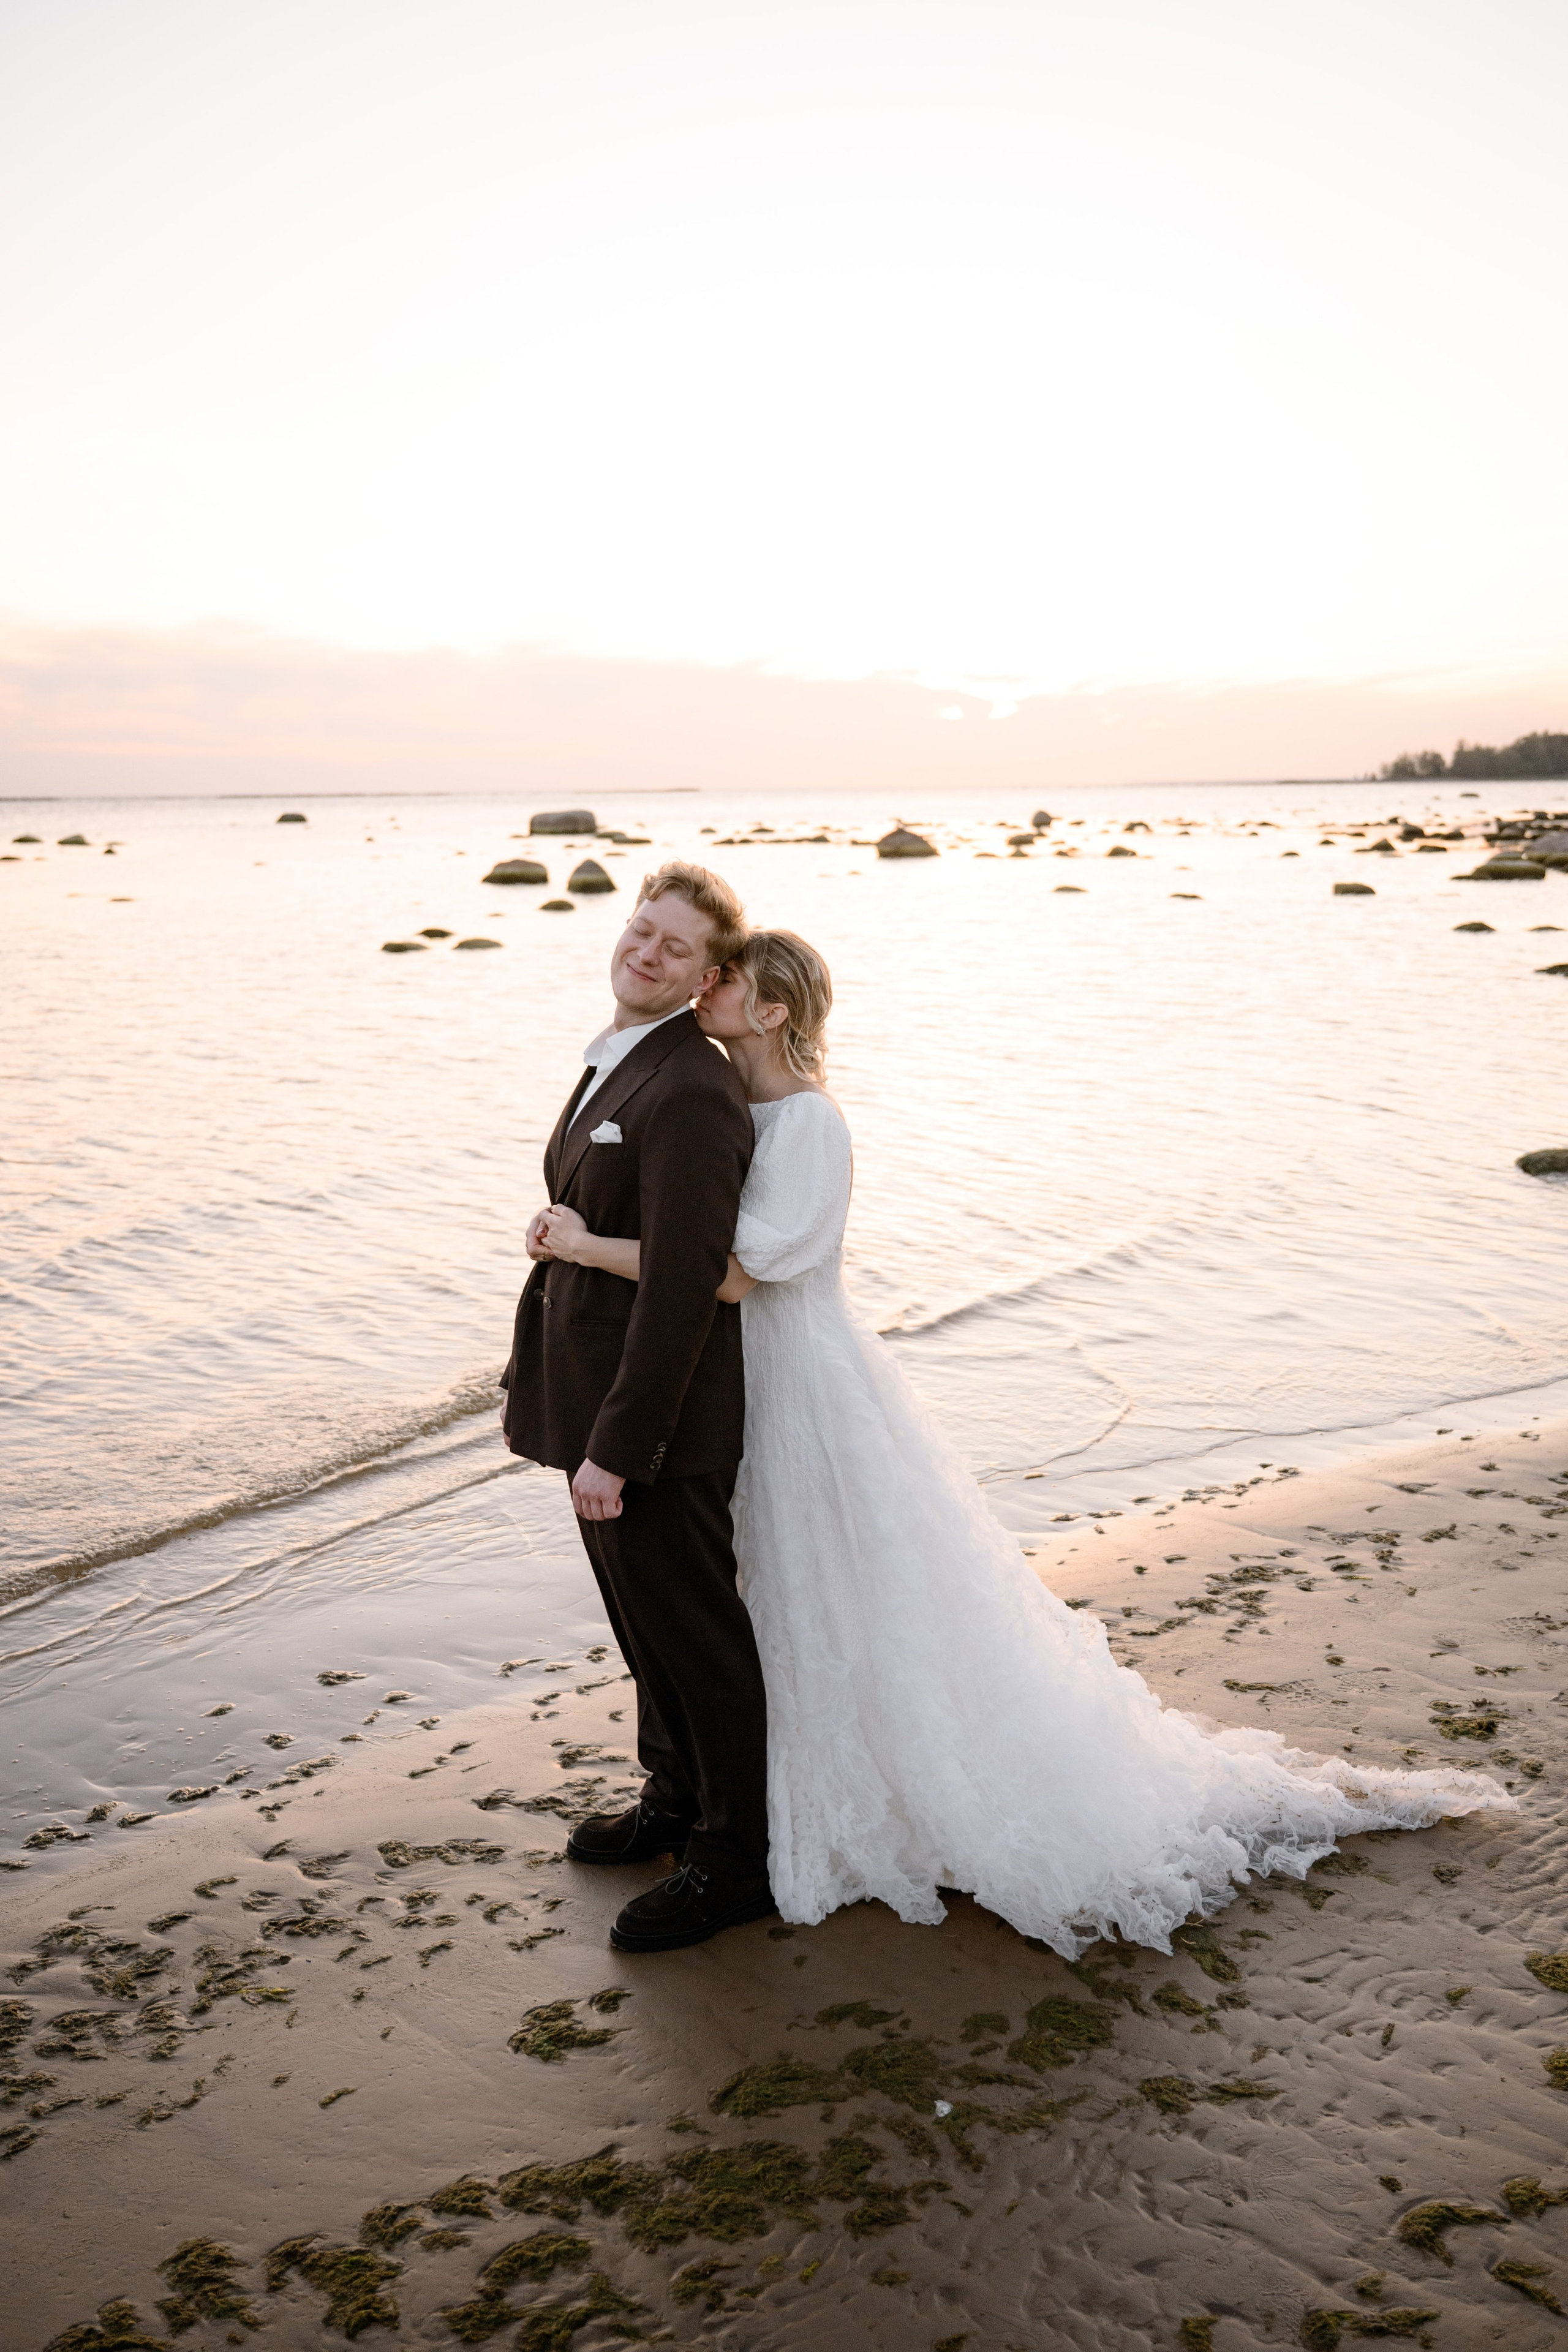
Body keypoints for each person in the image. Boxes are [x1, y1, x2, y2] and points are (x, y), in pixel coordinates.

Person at [539, 926, 1515, 1959]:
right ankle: (739, 1795)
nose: (707, 985)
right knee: (782, 1592)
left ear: (772, 1008)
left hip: (804, 1384)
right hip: (749, 1378)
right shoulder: (732, 1104)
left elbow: (732, 1273)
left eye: (725, 976)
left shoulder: (813, 1122)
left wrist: (584, 1243)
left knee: (841, 1587)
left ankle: (786, 1822)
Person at [501, 861, 776, 1954]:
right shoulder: (617, 1060)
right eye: (641, 929)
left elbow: (684, 1284)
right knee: (640, 1625)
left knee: (697, 1640)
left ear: (707, 976)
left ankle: (735, 1862)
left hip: (658, 1422)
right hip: (594, 1398)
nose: (646, 953)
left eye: (676, 947)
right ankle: (673, 1798)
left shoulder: (693, 1086)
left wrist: (619, 1447)